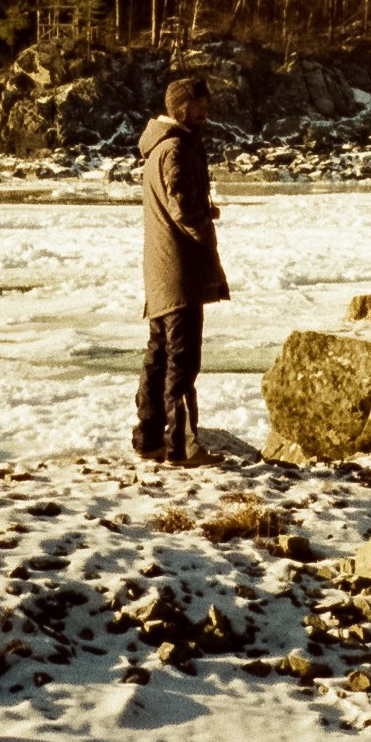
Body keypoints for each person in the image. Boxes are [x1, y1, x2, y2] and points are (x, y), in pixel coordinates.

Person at [134, 72, 229, 463]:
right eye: (202, 107)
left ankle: (149, 439)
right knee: (182, 361)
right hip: (179, 272)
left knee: (159, 356)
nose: (207, 113)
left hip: (161, 271)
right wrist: (205, 218)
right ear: (184, 108)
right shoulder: (175, 149)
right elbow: (183, 209)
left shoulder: (160, 146)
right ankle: (181, 448)